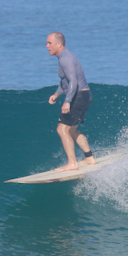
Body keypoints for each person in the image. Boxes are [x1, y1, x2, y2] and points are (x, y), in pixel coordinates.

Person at [46, 32, 95, 171]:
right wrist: (57, 93)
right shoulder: (65, 56)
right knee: (72, 129)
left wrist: (67, 101)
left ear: (58, 44)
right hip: (85, 95)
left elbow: (73, 81)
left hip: (78, 96)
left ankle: (72, 163)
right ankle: (89, 157)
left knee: (62, 129)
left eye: (49, 43)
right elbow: (65, 81)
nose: (47, 46)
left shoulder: (65, 58)